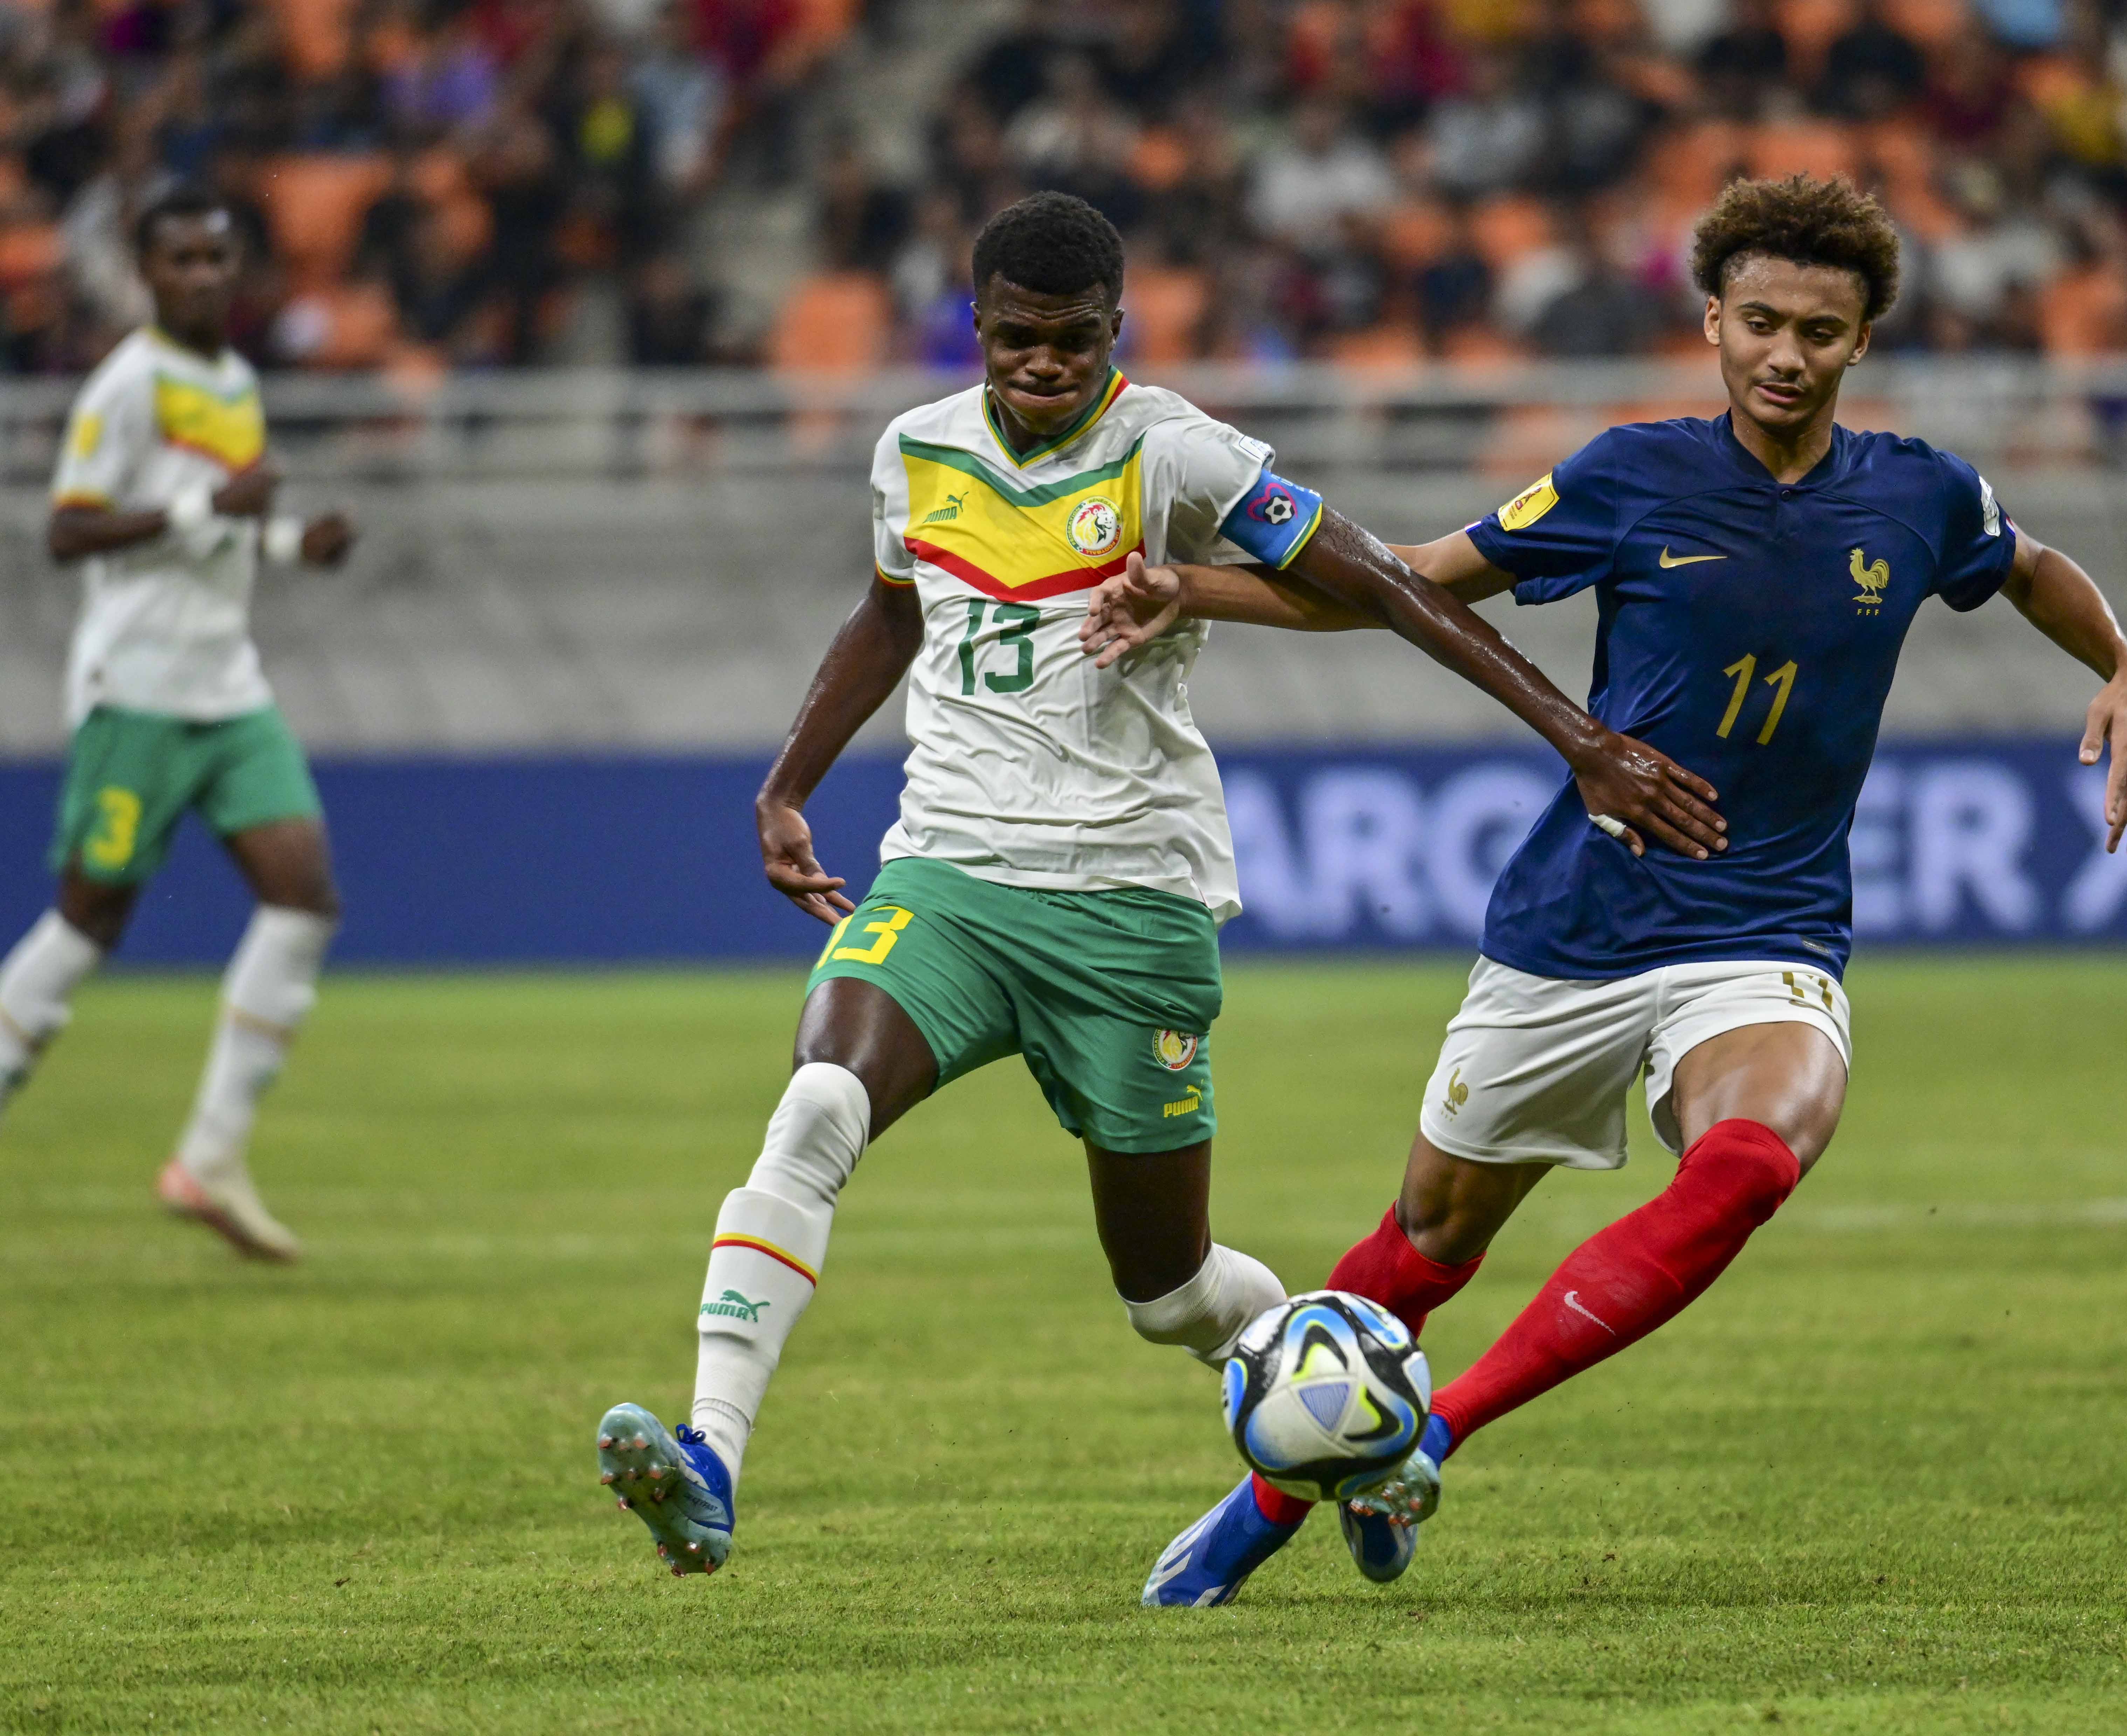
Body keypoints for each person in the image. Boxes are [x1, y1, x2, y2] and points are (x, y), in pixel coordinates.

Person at [591, 191, 1722, 1577]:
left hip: (1132, 905)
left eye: (1069, 342)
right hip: (948, 876)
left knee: (1169, 1292)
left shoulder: (1177, 451)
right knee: (820, 1099)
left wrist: (1579, 737)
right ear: (976, 326)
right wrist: (787, 783)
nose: (1041, 366)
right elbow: (889, 611)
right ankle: (709, 1460)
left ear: (1112, 331)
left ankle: (1359, 1429)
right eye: (1013, 340)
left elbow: (1375, 579)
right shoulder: (913, 452)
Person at [1092, 174, 2127, 1606]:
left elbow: (2027, 569)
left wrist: (2124, 664)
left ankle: (1432, 1435)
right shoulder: (1623, 477)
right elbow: (1413, 581)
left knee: (1746, 1166)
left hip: (1763, 934)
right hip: (1574, 931)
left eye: (1820, 332)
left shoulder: (1917, 493)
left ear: (1860, 344)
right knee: (1425, 1244)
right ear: (1711, 320)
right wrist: (1197, 588)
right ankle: (1267, 1502)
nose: (1786, 353)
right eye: (1763, 321)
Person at [0, 188, 357, 1260]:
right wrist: (218, 512)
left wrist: (294, 546)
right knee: (88, 921)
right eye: (182, 260)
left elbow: (223, 533)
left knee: (304, 901)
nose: (204, 275)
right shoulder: (130, 383)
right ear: (145, 274)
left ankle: (208, 1158)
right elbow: (69, 532)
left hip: (226, 687)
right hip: (141, 689)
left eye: (218, 256)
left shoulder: (234, 382)